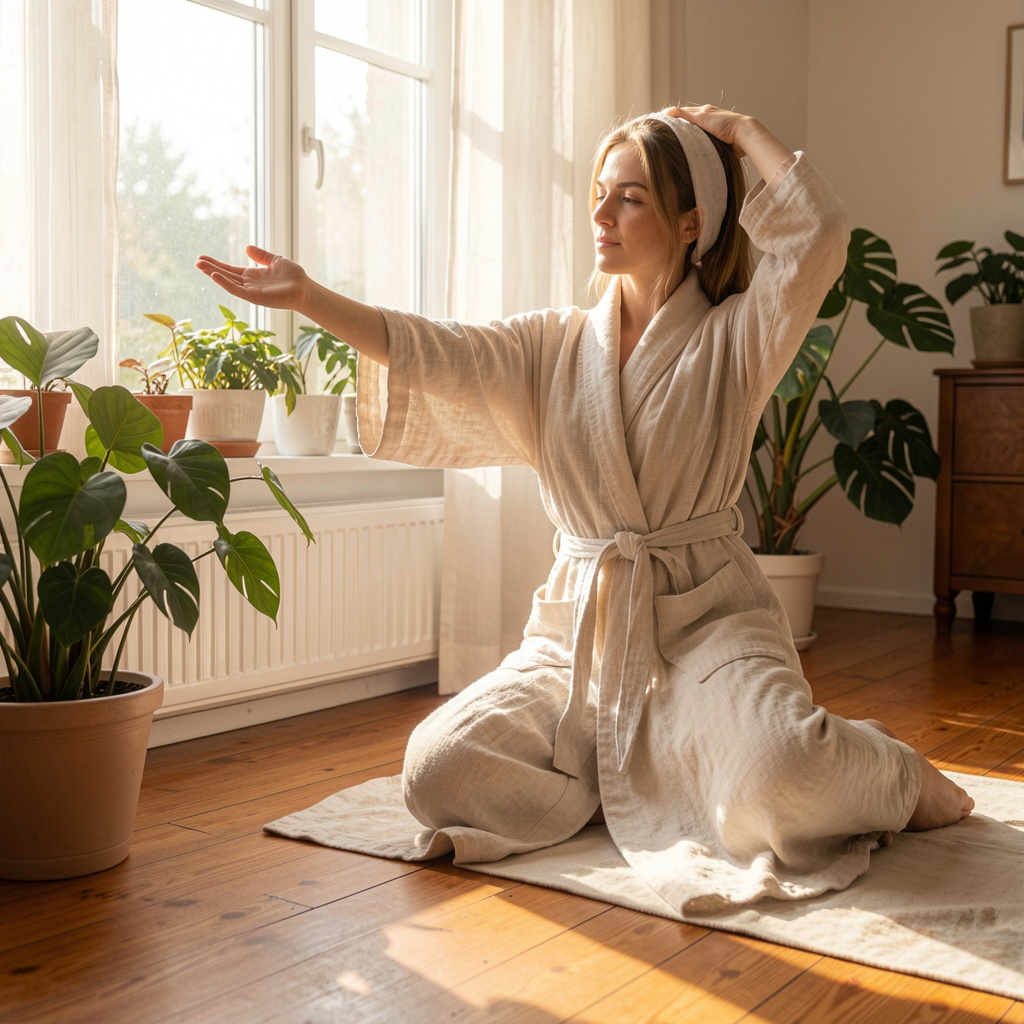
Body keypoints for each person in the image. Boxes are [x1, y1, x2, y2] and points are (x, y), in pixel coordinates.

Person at [197, 105, 973, 911]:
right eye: (599, 194)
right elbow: (437, 348)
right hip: (580, 636)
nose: (599, 216)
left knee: (786, 771)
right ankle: (630, 769)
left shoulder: (739, 337)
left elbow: (820, 232)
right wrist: (311, 297)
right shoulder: (551, 346)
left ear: (691, 220)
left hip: (705, 624)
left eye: (629, 198)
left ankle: (891, 771)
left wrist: (737, 131)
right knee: (438, 768)